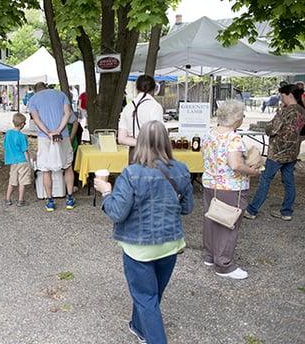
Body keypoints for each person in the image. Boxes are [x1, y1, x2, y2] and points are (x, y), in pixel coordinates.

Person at [94, 120, 194, 344]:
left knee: (146, 297)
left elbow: (117, 213)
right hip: (170, 242)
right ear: (166, 143)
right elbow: (187, 208)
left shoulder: (131, 174)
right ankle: (139, 327)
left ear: (139, 143)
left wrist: (106, 192)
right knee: (152, 294)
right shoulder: (182, 170)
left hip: (138, 246)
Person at [201, 100, 260, 279]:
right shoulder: (233, 138)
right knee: (228, 223)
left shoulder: (210, 134)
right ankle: (224, 265)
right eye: (242, 115)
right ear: (235, 119)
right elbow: (235, 165)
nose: (243, 118)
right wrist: (253, 171)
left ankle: (210, 255)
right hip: (230, 187)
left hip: (210, 183)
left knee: (212, 219)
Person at [246, 84, 305, 221]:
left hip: (277, 153)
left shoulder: (284, 112)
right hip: (292, 153)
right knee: (289, 181)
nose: (280, 98)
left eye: (282, 96)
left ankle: (252, 210)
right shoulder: (302, 111)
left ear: (288, 95)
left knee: (265, 180)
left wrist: (269, 125)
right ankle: (286, 212)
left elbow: (271, 130)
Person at [28, 82, 75, 211]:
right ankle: (70, 198)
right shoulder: (61, 95)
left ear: (36, 90)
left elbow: (36, 119)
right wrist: (58, 130)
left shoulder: (33, 99)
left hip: (44, 137)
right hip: (63, 135)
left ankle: (50, 201)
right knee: (68, 166)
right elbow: (67, 113)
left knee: (45, 169)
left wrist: (48, 132)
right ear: (46, 87)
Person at [118, 75, 164, 160]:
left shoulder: (128, 108)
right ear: (154, 89)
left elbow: (121, 139)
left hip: (134, 152)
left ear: (136, 88)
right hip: (152, 153)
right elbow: (158, 135)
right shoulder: (155, 106)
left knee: (133, 173)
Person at [3, 113, 32, 207]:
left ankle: (7, 199)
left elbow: (5, 146)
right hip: (22, 160)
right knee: (22, 182)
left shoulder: (8, 133)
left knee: (12, 181)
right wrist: (29, 162)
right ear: (22, 124)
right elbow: (25, 151)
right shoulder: (22, 136)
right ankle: (20, 200)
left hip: (12, 161)